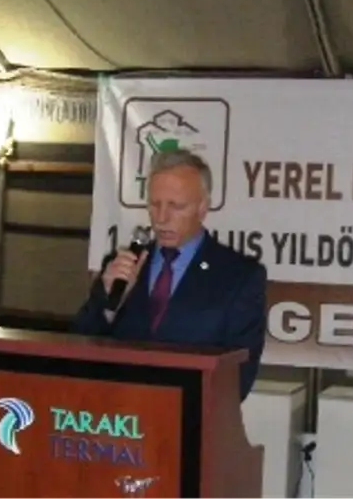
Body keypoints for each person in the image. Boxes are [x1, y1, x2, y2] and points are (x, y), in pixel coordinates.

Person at [73, 148, 268, 400]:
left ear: (202, 208)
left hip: (189, 416)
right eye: (155, 204)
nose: (161, 218)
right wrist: (109, 304)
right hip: (119, 413)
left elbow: (238, 379)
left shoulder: (239, 277)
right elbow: (80, 344)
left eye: (176, 206)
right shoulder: (124, 265)